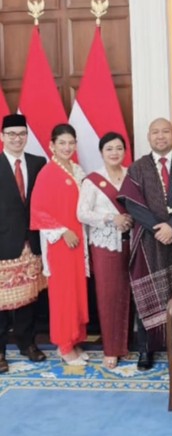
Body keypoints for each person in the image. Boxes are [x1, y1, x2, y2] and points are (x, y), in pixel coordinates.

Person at [120, 116, 172, 369]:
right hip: (148, 241)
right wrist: (158, 228)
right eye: (155, 132)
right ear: (148, 137)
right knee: (147, 295)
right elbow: (131, 202)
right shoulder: (137, 167)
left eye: (165, 131)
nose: (160, 136)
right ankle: (147, 347)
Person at [30, 123, 89, 366]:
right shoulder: (48, 172)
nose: (67, 147)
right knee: (63, 294)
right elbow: (38, 211)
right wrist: (63, 231)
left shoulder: (76, 169)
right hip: (60, 244)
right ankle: (64, 346)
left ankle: (74, 339)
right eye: (62, 143)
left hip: (78, 242)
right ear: (52, 145)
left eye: (71, 143)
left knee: (76, 291)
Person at [77, 131, 133, 369]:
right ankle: (110, 349)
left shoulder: (132, 175)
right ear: (101, 152)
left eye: (119, 148)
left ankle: (124, 345)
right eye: (109, 148)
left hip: (131, 242)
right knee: (108, 295)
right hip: (105, 244)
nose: (114, 153)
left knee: (128, 295)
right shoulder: (92, 180)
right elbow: (82, 213)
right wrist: (112, 218)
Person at [0, 113, 47, 372]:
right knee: (1, 302)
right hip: (3, 244)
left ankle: (28, 344)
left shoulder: (38, 162)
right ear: (2, 137)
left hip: (32, 242)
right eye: (11, 134)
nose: (17, 139)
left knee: (29, 298)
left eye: (21, 134)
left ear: (27, 136)